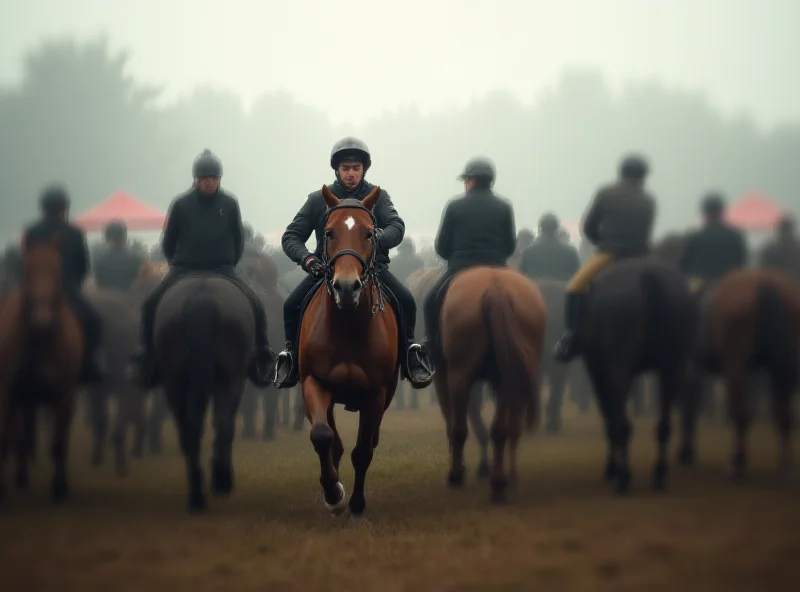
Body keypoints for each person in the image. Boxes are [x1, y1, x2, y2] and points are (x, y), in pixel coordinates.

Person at [273, 137, 434, 389]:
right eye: (346, 169)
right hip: (325, 272)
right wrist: (308, 259)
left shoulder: (377, 197)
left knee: (406, 301)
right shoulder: (318, 199)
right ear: (337, 170)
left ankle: (410, 355)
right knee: (290, 304)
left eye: (356, 168)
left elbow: (396, 226)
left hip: (373, 271)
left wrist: (374, 238)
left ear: (363, 169)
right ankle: (291, 358)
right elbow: (291, 236)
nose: (351, 174)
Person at [130, 149, 274, 389]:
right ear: (195, 179)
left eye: (213, 178)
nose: (208, 183)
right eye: (204, 179)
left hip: (223, 268)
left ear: (219, 179)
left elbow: (238, 240)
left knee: (256, 302)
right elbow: (169, 240)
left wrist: (229, 262)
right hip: (184, 268)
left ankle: (262, 354)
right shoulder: (181, 204)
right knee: (150, 303)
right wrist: (176, 262)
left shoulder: (229, 203)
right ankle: (146, 354)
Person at [553, 154, 656, 362]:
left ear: (621, 173)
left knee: (574, 288)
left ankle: (571, 337)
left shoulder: (606, 192)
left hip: (609, 254)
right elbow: (646, 232)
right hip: (641, 258)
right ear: (643, 176)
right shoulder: (649, 200)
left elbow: (588, 226)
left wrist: (600, 241)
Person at [423, 156, 516, 352]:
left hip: (460, 268)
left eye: (466, 180)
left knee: (430, 301)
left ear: (471, 181)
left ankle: (431, 345)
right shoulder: (504, 206)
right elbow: (509, 247)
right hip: (498, 267)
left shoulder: (455, 206)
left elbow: (442, 247)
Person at [22, 184, 105, 382]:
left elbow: (23, 265)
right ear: (64, 208)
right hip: (67, 292)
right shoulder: (75, 233)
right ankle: (91, 363)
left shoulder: (32, 231)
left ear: (42, 208)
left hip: (32, 294)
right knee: (94, 321)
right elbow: (84, 268)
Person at [679, 193, 748, 291]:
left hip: (699, 288)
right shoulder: (735, 237)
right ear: (721, 212)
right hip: (728, 287)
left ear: (704, 213)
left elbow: (684, 267)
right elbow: (742, 264)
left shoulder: (694, 237)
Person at [520, 212, 581, 281]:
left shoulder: (528, 252)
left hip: (534, 290)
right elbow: (578, 277)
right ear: (557, 228)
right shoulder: (571, 252)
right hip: (562, 290)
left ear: (540, 229)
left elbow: (520, 277)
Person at [93, 220, 146, 291]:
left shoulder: (100, 261)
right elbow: (141, 286)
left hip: (107, 300)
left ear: (107, 238)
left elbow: (99, 286)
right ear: (125, 237)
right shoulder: (136, 260)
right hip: (131, 300)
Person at [758, 214, 800, 282]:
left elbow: (763, 270)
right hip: (793, 286)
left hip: (775, 285)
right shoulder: (797, 249)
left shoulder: (770, 249)